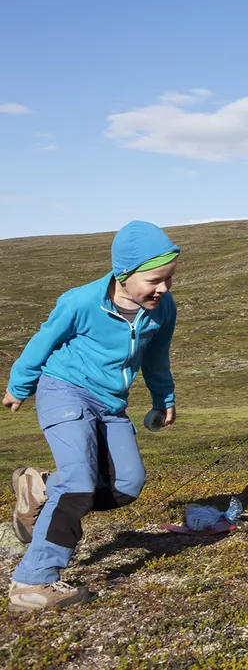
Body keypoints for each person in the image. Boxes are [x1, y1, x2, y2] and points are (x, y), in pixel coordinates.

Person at [2, 221, 180, 612]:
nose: (163, 288)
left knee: (127, 485)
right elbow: (42, 342)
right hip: (64, 390)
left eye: (169, 278)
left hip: (111, 403)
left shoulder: (162, 309)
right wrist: (19, 385)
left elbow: (156, 358)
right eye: (155, 279)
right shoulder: (80, 302)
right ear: (123, 275)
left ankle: (43, 488)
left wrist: (162, 398)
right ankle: (33, 580)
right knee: (79, 482)